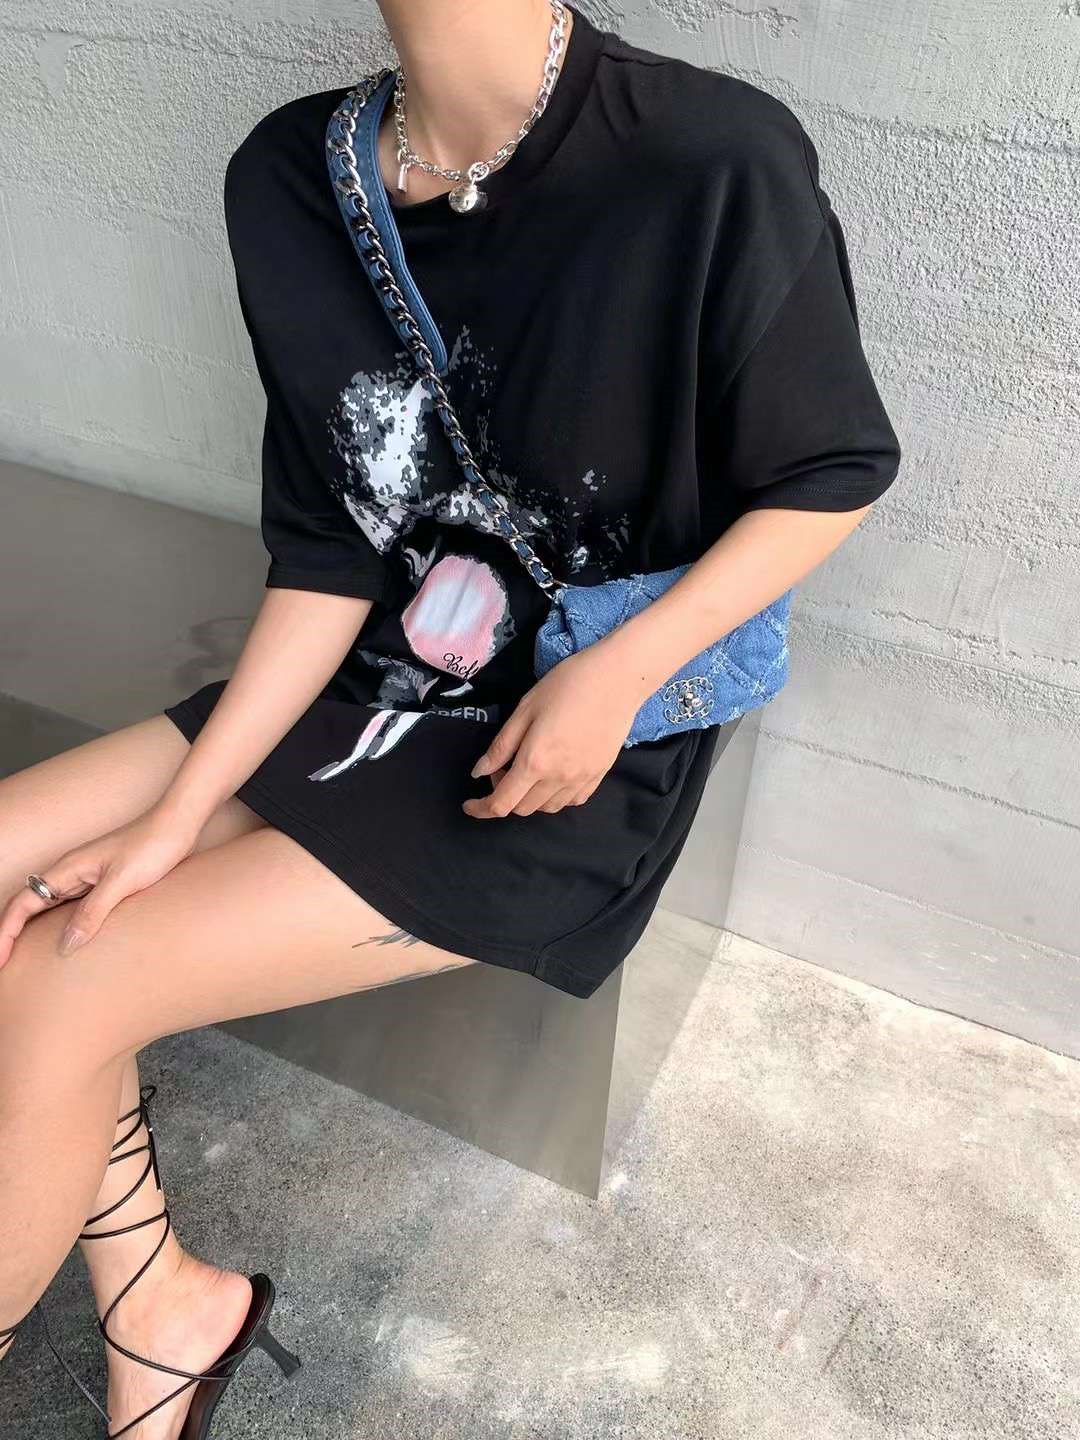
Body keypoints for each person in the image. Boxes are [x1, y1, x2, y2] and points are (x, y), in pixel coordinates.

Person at [0, 1, 902, 1435]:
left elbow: (832, 469)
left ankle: (165, 1316)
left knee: (66, 977)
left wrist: (616, 676)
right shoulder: (290, 177)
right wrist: (174, 819)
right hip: (368, 678)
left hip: (562, 749)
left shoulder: (709, 157)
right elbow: (329, 548)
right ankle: (168, 1310)